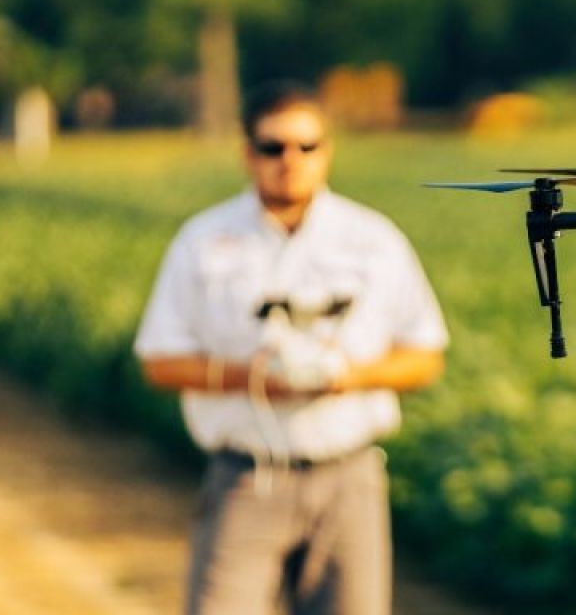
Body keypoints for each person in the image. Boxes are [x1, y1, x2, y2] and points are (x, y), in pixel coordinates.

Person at [134, 81, 448, 615]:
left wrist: (345, 376)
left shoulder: (373, 239)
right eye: (272, 147)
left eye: (307, 146)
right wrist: (253, 377)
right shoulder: (204, 240)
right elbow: (160, 360)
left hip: (350, 478)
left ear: (328, 151)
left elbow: (425, 356)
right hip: (248, 476)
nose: (290, 161)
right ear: (247, 153)